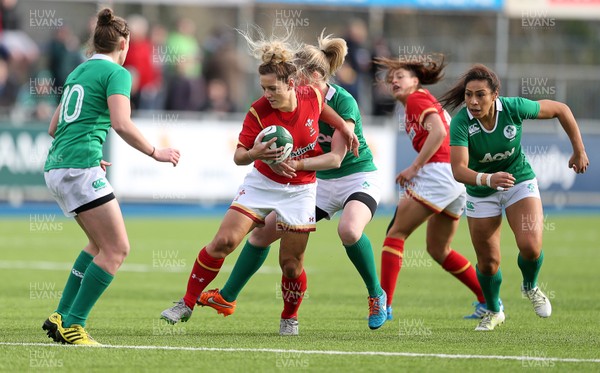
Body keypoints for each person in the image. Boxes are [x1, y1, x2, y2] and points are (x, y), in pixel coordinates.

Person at [160, 29, 358, 335]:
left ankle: (289, 317)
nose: (267, 95)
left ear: (292, 84)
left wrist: (344, 127)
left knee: (291, 264)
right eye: (263, 88)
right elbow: (239, 156)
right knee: (224, 242)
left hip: (302, 189)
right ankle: (185, 303)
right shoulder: (258, 112)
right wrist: (257, 153)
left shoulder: (311, 95)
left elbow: (323, 109)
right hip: (262, 184)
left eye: (273, 89)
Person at [197, 32, 388, 333]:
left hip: (356, 177)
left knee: (349, 230)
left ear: (314, 76)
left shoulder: (343, 102)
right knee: (260, 236)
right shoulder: (295, 100)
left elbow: (335, 159)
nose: (292, 86)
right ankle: (226, 297)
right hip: (317, 184)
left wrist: (295, 163)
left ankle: (377, 295)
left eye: (298, 79)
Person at [41, 8, 180, 346]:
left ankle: (61, 315)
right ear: (123, 43)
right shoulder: (117, 73)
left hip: (58, 166)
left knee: (98, 245)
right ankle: (74, 325)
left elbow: (53, 127)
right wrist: (154, 152)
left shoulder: (78, 70)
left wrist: (90, 153)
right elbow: (121, 123)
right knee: (117, 249)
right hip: (78, 167)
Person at [440, 64, 589, 331]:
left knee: (531, 246)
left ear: (495, 95)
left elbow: (561, 110)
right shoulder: (462, 122)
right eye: (469, 94)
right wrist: (488, 179)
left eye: (481, 95)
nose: (473, 101)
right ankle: (494, 310)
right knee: (488, 262)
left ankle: (530, 286)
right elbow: (459, 170)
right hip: (481, 191)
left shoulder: (513, 108)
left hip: (518, 180)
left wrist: (578, 150)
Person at [374, 56, 488, 321]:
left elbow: (437, 132)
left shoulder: (416, 99)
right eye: (392, 78)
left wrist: (414, 167)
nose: (394, 81)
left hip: (439, 172)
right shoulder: (417, 102)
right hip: (455, 177)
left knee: (395, 233)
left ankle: (383, 306)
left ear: (415, 81)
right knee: (439, 249)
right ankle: (489, 301)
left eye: (400, 76)